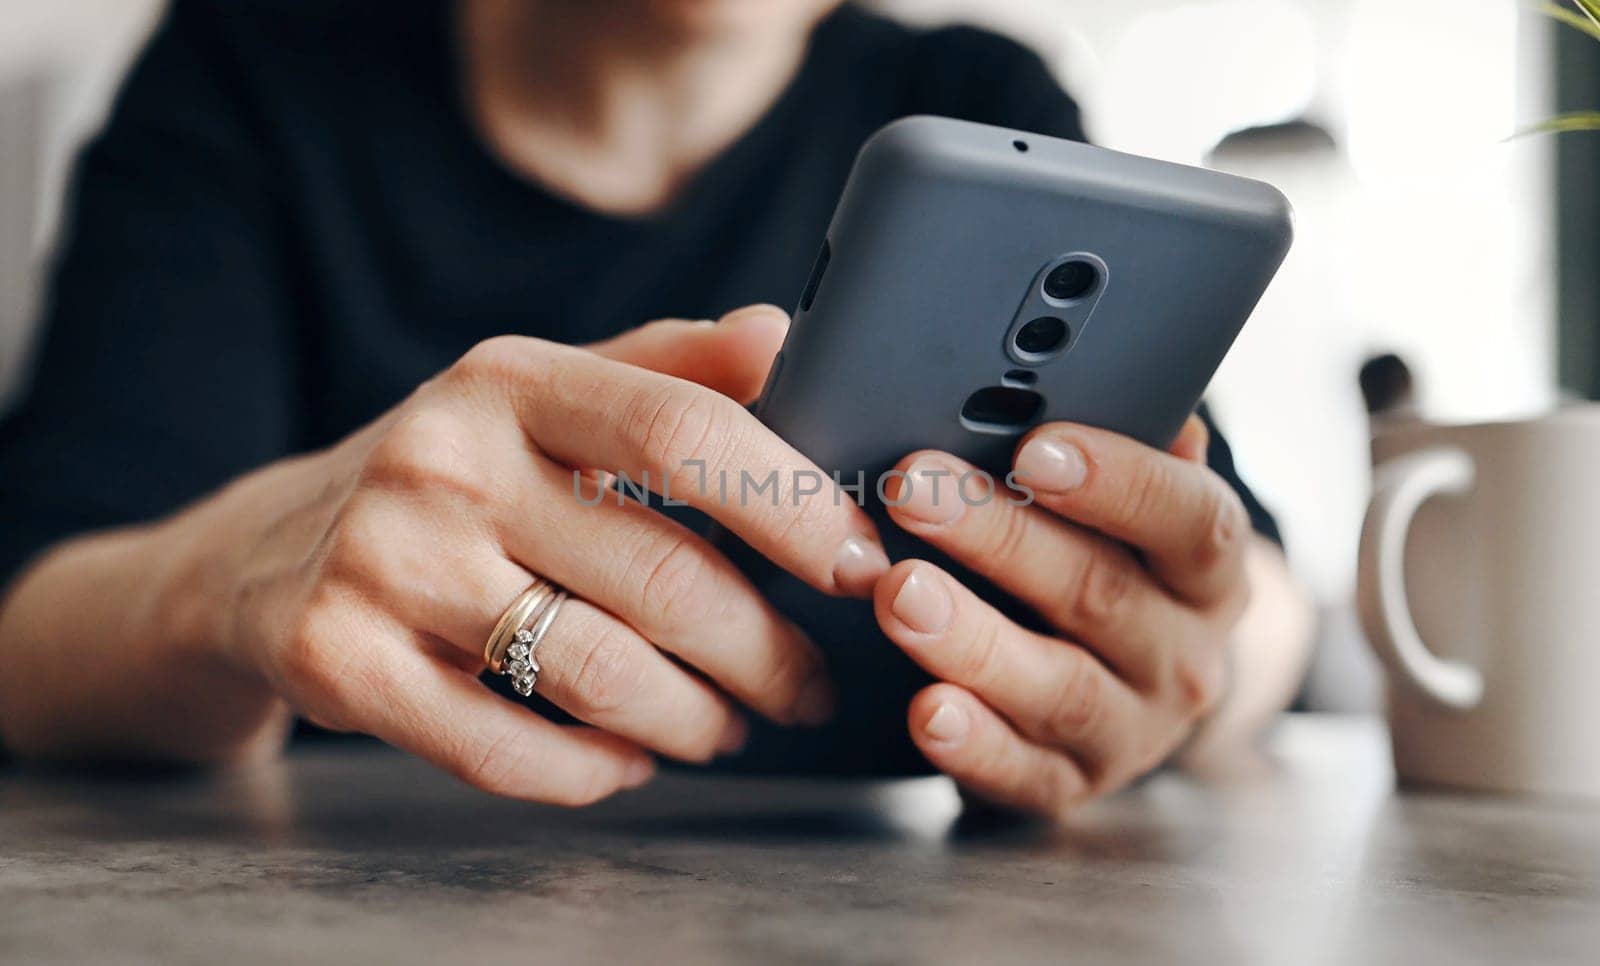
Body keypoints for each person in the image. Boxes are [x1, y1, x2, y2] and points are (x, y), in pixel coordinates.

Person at [0, 0, 1311, 818]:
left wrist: (1185, 672)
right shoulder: (255, 64)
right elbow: (32, 618)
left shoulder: (984, 100)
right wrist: (231, 582)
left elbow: (1240, 571)